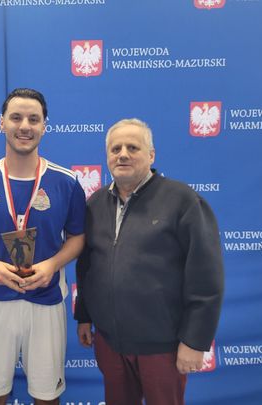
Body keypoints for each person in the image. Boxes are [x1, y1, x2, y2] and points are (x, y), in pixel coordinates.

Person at [75, 118, 224, 405]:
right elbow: (87, 266)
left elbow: (206, 276)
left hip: (163, 346)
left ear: (151, 155)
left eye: (133, 147)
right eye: (115, 148)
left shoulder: (182, 200)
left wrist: (195, 340)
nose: (123, 154)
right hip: (110, 343)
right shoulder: (95, 204)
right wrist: (84, 316)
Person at [0, 88, 86, 405]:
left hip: (46, 299)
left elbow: (77, 238)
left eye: (33, 119)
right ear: (1, 123)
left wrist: (52, 265)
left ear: (45, 126)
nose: (24, 126)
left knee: (46, 395)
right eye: (16, 117)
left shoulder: (66, 182)